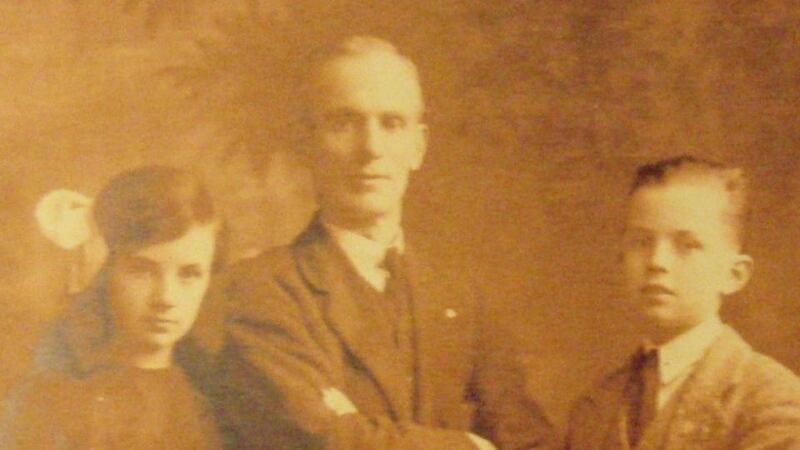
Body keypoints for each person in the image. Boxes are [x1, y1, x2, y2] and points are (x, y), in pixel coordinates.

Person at [213, 35, 556, 449]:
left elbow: (532, 442)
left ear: (418, 146)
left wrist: (357, 430)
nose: (371, 148)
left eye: (392, 124)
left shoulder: (461, 298)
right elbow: (316, 440)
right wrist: (469, 445)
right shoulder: (261, 291)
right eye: (343, 123)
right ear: (306, 141)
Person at [565, 155, 800, 449]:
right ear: (620, 258)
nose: (657, 261)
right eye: (641, 242)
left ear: (734, 274)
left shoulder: (771, 403)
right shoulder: (595, 408)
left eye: (687, 245)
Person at [1, 166, 225, 450]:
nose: (166, 297)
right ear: (104, 272)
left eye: (189, 274)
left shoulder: (218, 401)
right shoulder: (48, 402)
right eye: (142, 271)